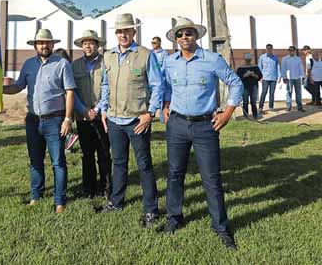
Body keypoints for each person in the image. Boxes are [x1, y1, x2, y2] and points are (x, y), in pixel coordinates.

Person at [161, 17, 242, 249]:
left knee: (211, 178)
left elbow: (236, 83)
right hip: (177, 124)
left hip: (205, 126)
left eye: (188, 33)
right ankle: (174, 218)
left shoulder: (212, 59)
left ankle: (221, 227)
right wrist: (165, 106)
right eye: (180, 34)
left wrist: (227, 113)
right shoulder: (170, 62)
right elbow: (166, 86)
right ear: (175, 39)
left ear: (196, 36)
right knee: (175, 173)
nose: (184, 37)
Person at [97, 13, 163, 228]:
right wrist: (104, 109)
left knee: (144, 165)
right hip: (114, 120)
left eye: (127, 31)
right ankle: (116, 202)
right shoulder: (108, 56)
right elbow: (105, 85)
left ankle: (151, 210)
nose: (123, 34)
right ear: (115, 34)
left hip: (137, 120)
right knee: (118, 163)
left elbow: (157, 85)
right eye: (119, 31)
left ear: (134, 32)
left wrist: (150, 113)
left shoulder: (145, 55)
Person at [3, 28, 75, 214]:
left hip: (55, 120)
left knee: (58, 162)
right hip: (33, 121)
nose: (44, 46)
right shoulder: (28, 65)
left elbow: (69, 92)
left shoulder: (62, 64)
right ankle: (36, 196)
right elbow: (18, 86)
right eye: (41, 43)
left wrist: (68, 119)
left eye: (47, 43)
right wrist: (0, 90)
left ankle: (60, 201)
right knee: (35, 160)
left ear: (52, 44)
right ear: (35, 45)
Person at [71, 29, 111, 199]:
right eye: (85, 43)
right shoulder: (74, 65)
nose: (88, 46)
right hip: (83, 117)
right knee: (87, 154)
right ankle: (89, 188)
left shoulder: (106, 63)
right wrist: (84, 110)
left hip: (102, 116)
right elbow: (72, 91)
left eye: (91, 43)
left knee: (104, 153)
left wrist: (97, 109)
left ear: (97, 45)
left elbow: (108, 88)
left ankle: (107, 187)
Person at [235, 53, 262, 119]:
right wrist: (245, 75)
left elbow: (260, 76)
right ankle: (246, 116)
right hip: (245, 87)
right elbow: (238, 78)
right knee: (245, 102)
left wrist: (253, 75)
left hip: (254, 86)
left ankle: (255, 115)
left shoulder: (255, 67)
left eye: (249, 60)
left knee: (253, 102)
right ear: (244, 59)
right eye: (247, 60)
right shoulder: (240, 68)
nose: (248, 61)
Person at [281, 45, 305, 112]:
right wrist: (284, 77)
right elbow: (283, 68)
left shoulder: (298, 58)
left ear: (294, 51)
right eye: (289, 50)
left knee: (298, 93)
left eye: (292, 50)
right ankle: (288, 106)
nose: (290, 51)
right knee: (289, 92)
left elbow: (301, 68)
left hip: (297, 77)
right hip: (289, 78)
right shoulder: (285, 58)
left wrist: (303, 77)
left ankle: (300, 107)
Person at [257, 44, 279, 114]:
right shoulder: (262, 57)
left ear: (272, 49)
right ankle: (260, 107)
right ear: (266, 49)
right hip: (265, 78)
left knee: (272, 93)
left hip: (273, 78)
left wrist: (279, 76)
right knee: (264, 92)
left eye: (270, 48)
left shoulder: (275, 58)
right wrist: (260, 77)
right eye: (268, 48)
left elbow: (278, 67)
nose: (269, 49)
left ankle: (271, 107)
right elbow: (259, 68)